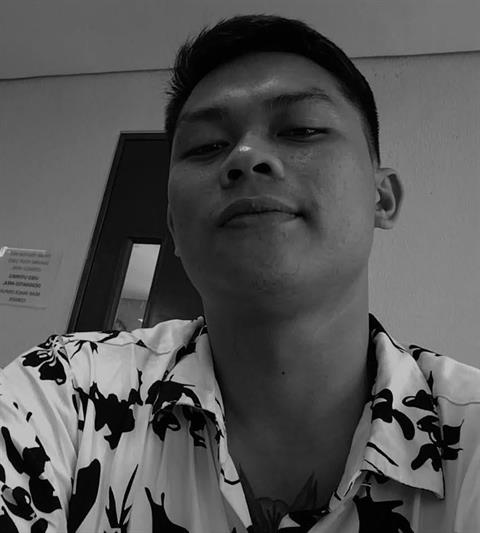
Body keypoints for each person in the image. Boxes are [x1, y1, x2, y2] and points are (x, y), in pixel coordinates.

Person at [1, 14, 479, 533]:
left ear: (381, 199)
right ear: (174, 228)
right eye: (207, 145)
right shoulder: (63, 394)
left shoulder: (470, 431)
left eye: (301, 130)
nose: (246, 157)